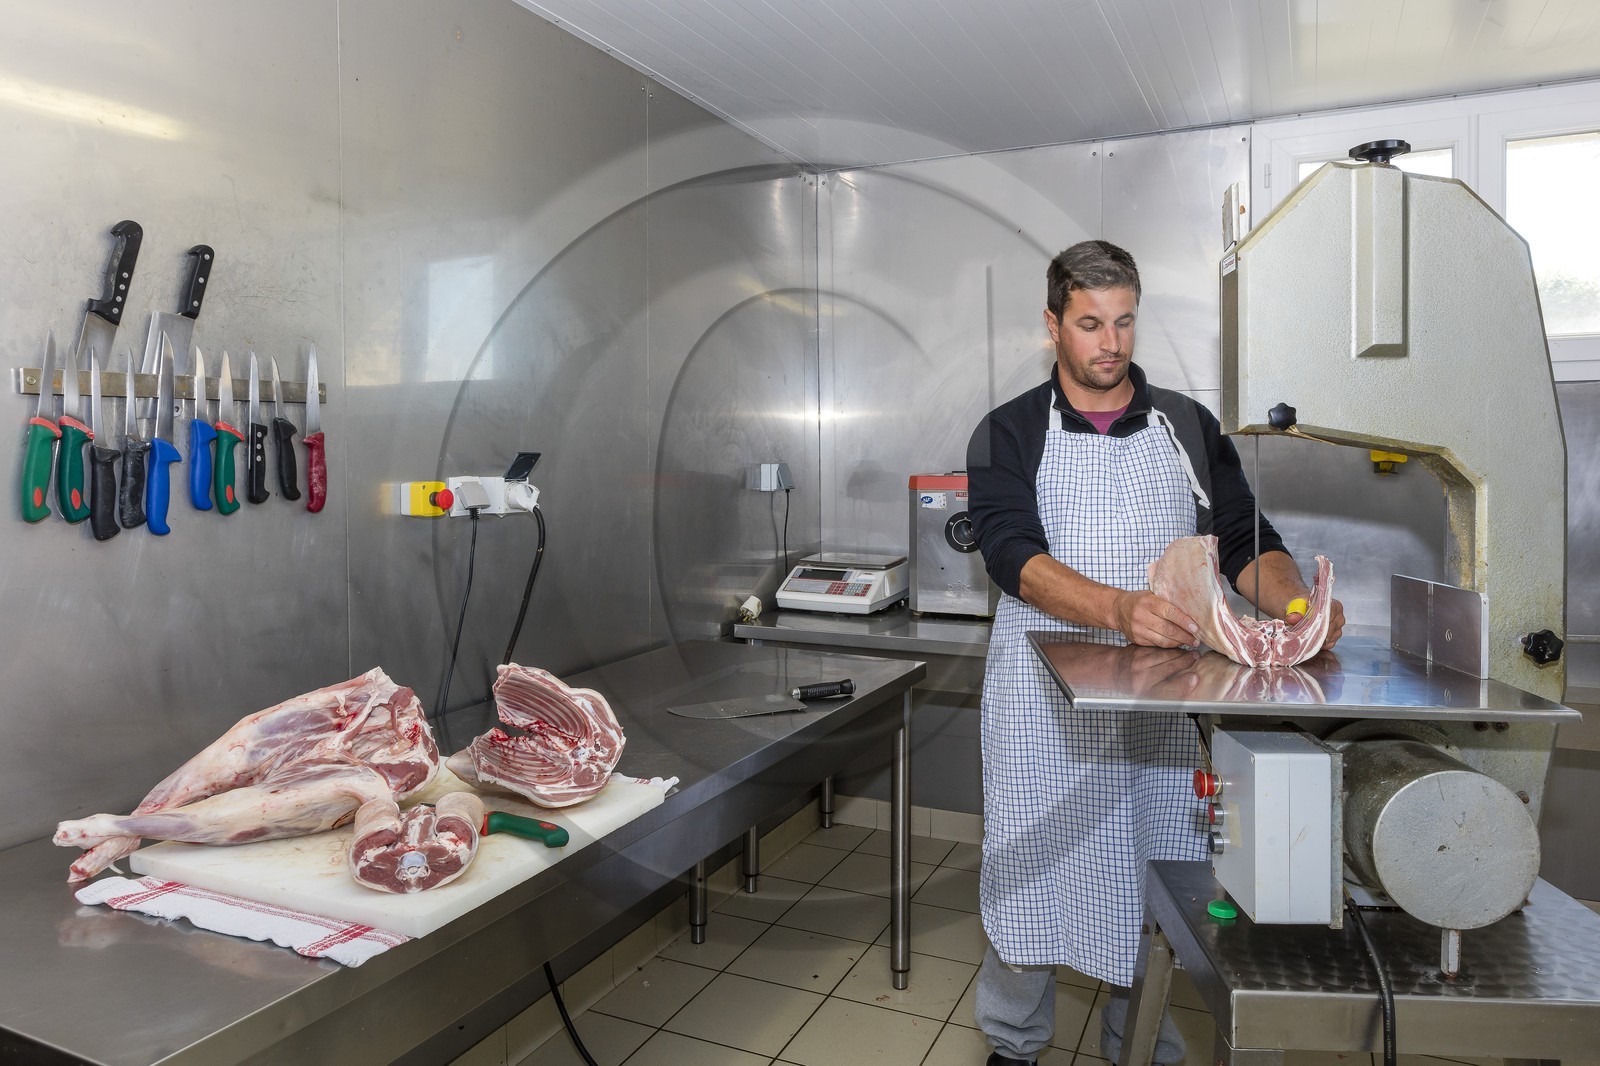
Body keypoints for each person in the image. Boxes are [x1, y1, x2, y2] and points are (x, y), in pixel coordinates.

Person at [965, 240, 1345, 1066]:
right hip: (1042, 705)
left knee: (1156, 874)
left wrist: (1294, 609)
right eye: (1091, 324)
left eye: (1125, 321)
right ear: (1054, 326)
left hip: (1159, 700)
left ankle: (1140, 1042)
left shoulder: (1185, 424)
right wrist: (1117, 609)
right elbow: (1010, 554)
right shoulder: (1008, 432)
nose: (1111, 343)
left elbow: (1245, 536)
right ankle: (1014, 1043)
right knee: (1028, 868)